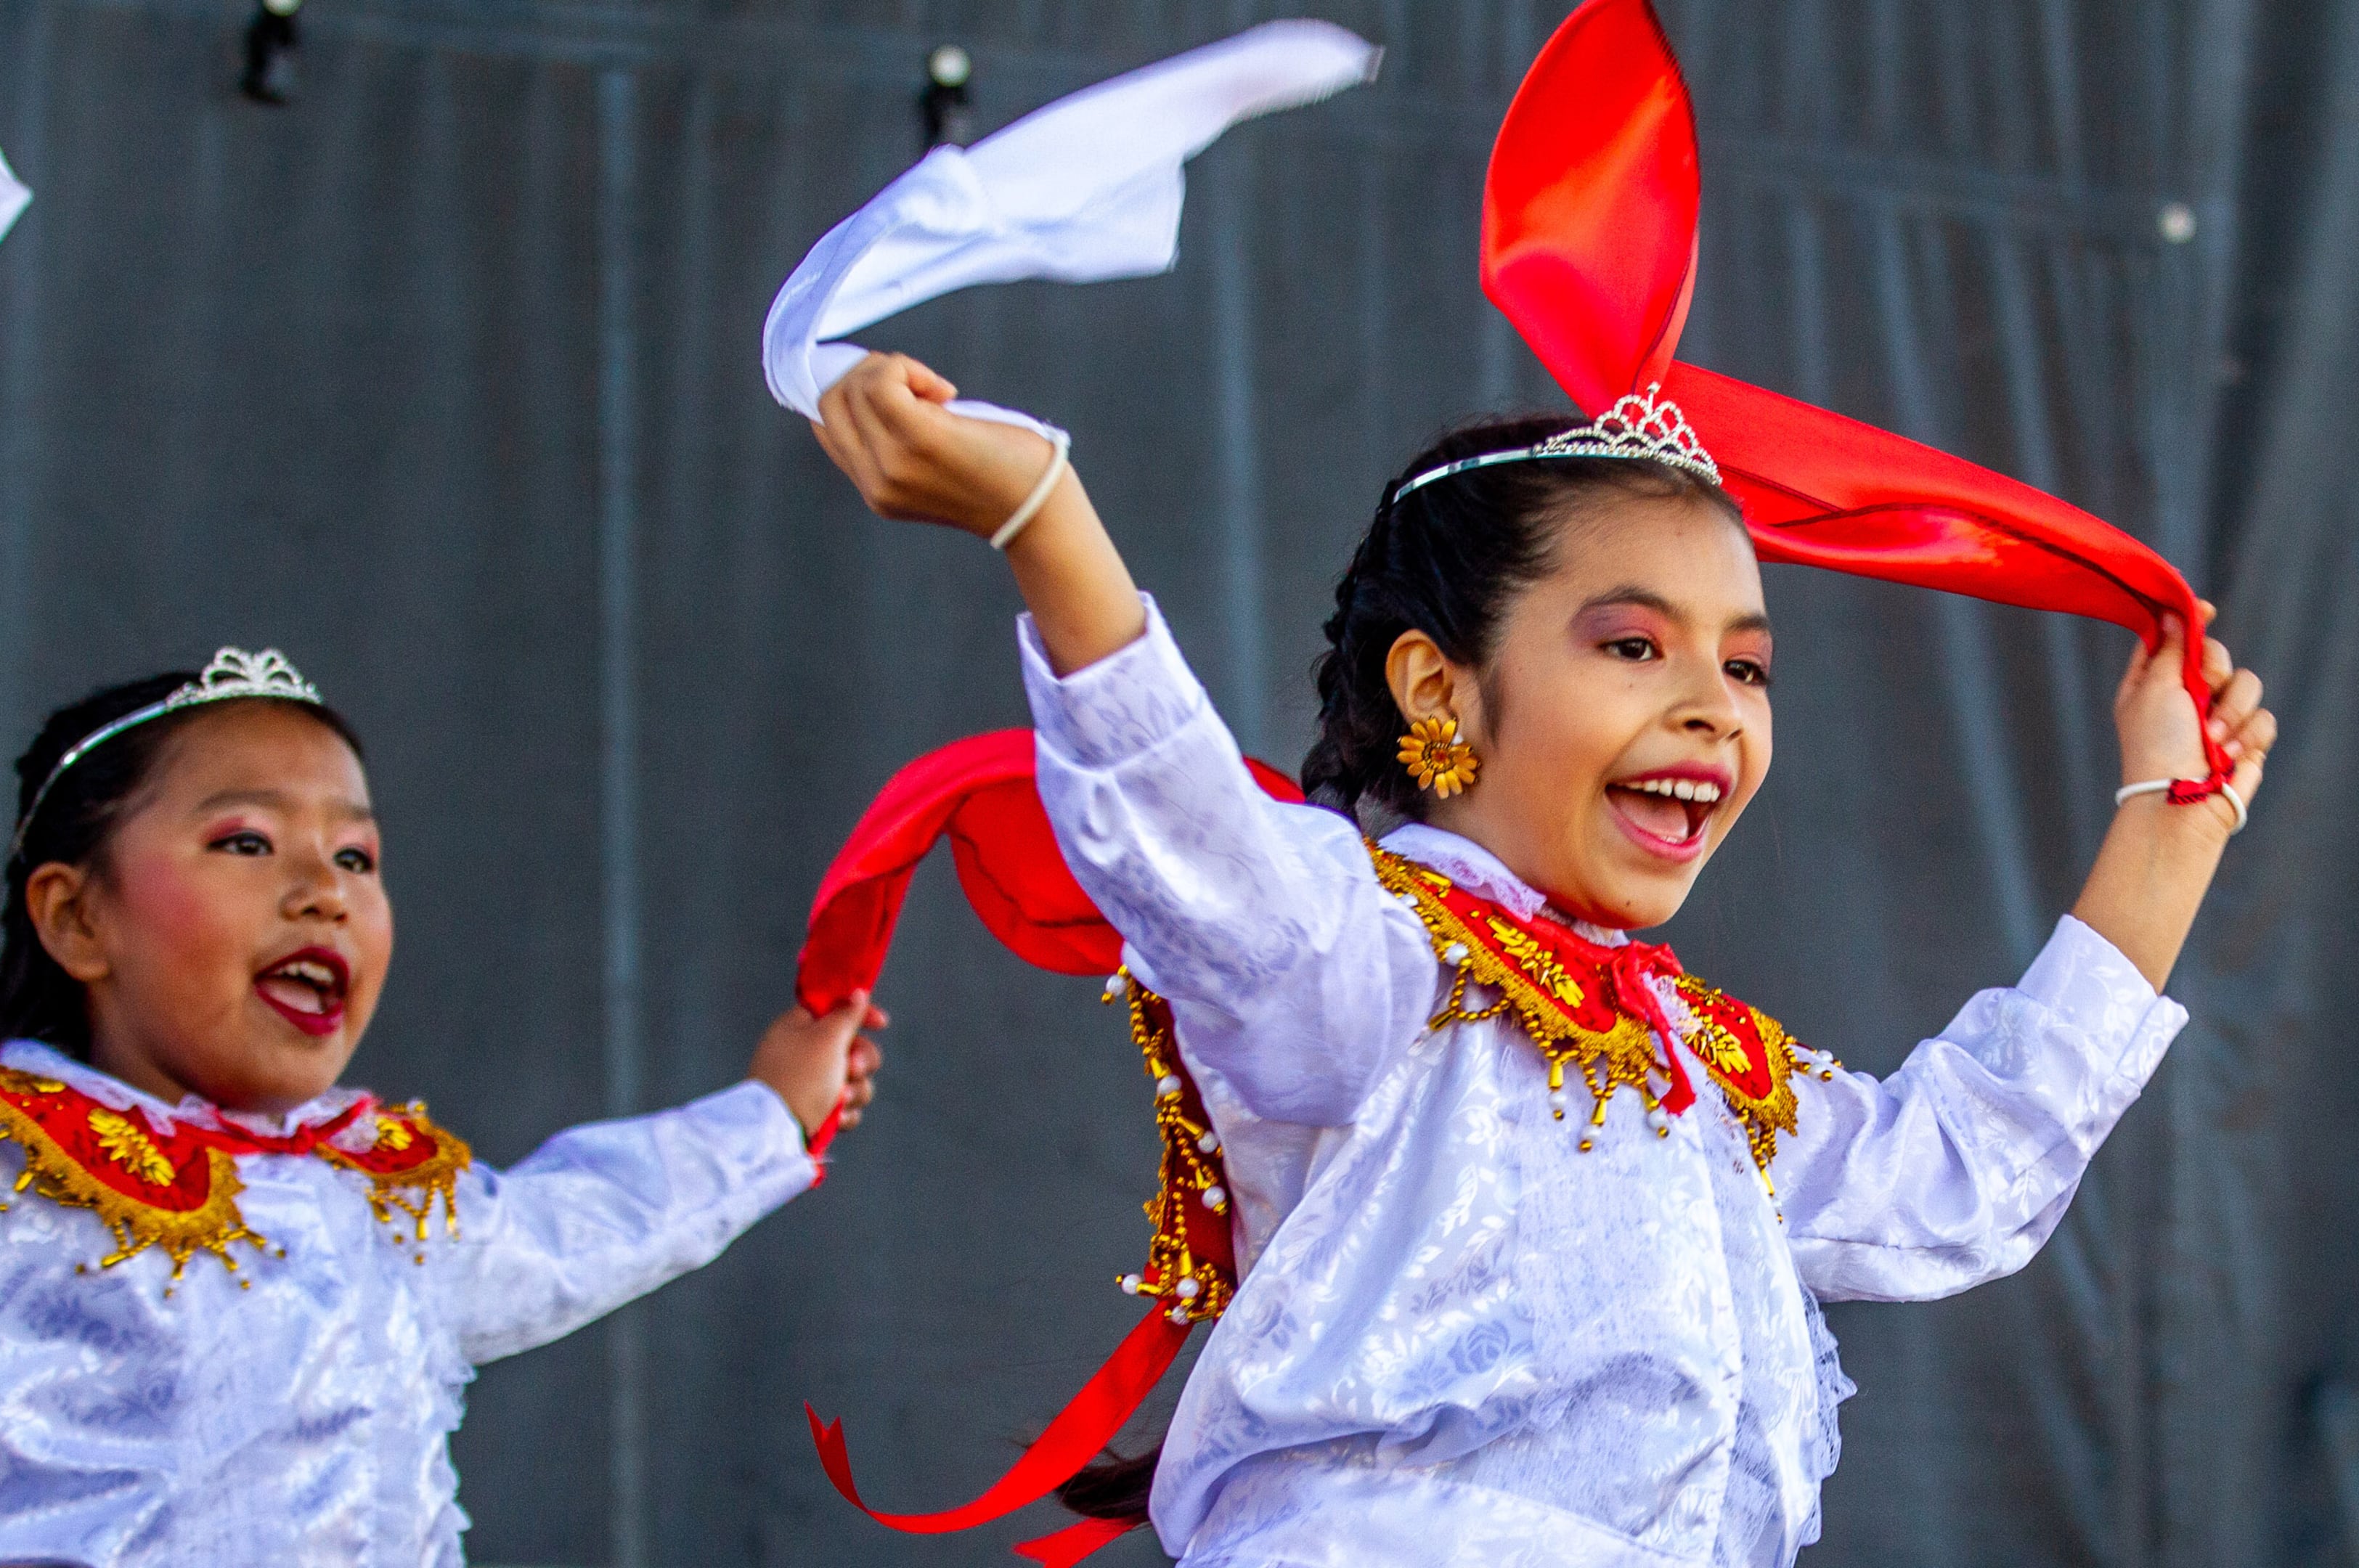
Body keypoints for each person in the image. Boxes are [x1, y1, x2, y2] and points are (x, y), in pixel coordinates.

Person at [807, 352, 2276, 1567]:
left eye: (1746, 665)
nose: (1712, 707)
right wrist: (1049, 524)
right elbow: (1187, 843)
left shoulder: (1697, 1069)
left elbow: (1958, 1178)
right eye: (1634, 646)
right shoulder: (1360, 963)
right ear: (1438, 688)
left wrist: (2175, 827)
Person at [0, 525, 883, 1567]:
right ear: (77, 918)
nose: (323, 893)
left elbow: (584, 1222)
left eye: (356, 858)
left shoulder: (386, 1207)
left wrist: (771, 1117)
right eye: (246, 841)